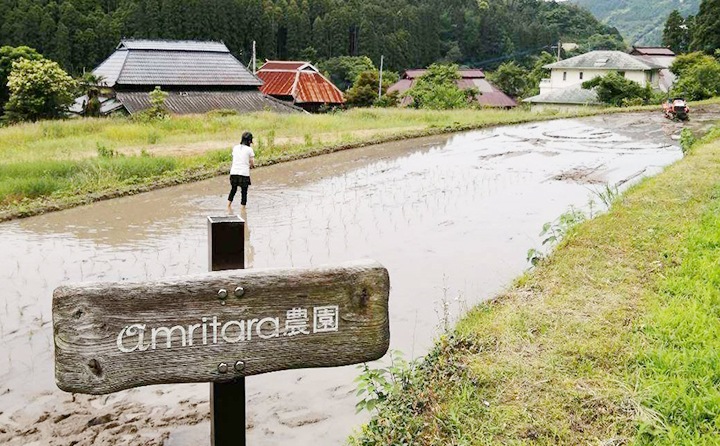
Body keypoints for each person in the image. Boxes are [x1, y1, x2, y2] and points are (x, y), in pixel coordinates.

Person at [228, 132, 255, 210]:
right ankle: (242, 209)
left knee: (233, 189)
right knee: (244, 192)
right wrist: (252, 166)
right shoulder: (250, 150)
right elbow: (251, 162)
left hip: (233, 172)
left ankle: (228, 206)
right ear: (250, 141)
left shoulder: (235, 147)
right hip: (244, 173)